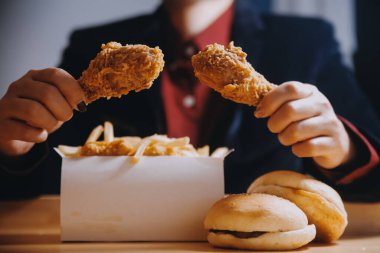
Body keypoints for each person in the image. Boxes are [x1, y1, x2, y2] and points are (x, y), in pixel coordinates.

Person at [1, 0, 380, 200]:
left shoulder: (306, 41)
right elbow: (50, 177)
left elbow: (373, 169)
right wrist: (15, 148)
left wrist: (344, 149)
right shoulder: (90, 45)